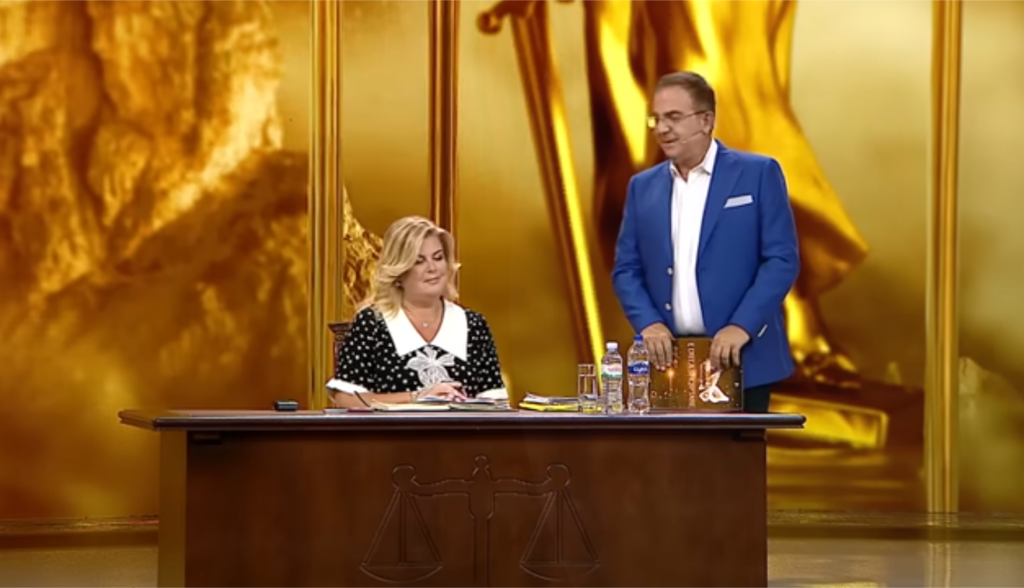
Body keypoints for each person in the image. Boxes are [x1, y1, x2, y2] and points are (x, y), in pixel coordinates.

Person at [611, 71, 800, 413]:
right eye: (656, 119)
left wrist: (741, 326)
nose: (662, 128)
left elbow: (781, 259)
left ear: (706, 120)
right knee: (674, 451)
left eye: (673, 117)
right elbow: (626, 269)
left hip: (743, 357)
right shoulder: (642, 187)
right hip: (668, 365)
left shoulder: (758, 174)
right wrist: (648, 323)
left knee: (739, 450)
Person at [328, 216, 506, 408]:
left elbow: (496, 404)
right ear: (399, 272)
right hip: (391, 428)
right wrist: (417, 396)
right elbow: (346, 399)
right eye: (419, 261)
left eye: (438, 258)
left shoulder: (473, 325)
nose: (432, 268)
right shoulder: (372, 323)